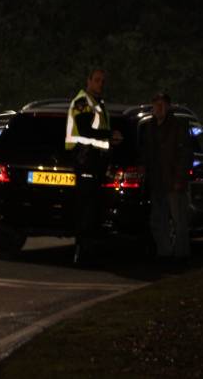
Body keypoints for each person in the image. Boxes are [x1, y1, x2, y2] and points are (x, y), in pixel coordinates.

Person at [65, 68, 120, 265]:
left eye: (103, 81)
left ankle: (89, 252)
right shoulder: (82, 102)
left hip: (95, 163)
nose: (100, 84)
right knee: (86, 211)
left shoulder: (97, 104)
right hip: (84, 160)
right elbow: (85, 130)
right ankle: (82, 254)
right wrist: (110, 135)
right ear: (88, 81)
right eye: (97, 80)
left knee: (93, 209)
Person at [142, 92, 193, 262]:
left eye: (162, 104)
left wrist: (179, 179)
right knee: (158, 220)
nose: (158, 108)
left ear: (168, 106)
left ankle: (180, 255)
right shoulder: (150, 126)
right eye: (156, 104)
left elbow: (185, 155)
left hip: (173, 182)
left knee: (179, 221)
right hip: (157, 182)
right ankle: (163, 253)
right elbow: (147, 154)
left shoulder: (178, 126)